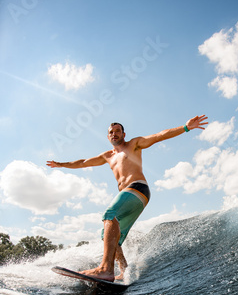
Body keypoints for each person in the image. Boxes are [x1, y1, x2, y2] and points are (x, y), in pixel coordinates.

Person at [47, 114, 208, 281]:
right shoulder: (107, 156)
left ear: (124, 134)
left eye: (118, 131)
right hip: (130, 196)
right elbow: (83, 162)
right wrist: (61, 164)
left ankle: (105, 268)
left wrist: (186, 127)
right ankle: (124, 271)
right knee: (109, 236)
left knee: (109, 214)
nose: (114, 134)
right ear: (108, 136)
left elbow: (159, 135)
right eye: (111, 132)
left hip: (138, 188)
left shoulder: (134, 144)